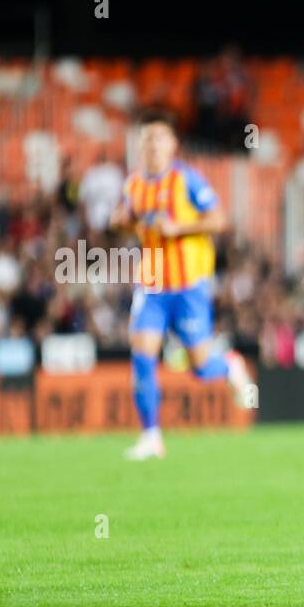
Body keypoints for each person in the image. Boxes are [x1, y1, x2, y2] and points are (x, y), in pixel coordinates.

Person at [110, 110, 250, 461]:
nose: (153, 145)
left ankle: (230, 364)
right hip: (152, 285)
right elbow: (120, 219)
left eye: (159, 138)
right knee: (142, 354)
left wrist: (178, 228)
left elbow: (218, 219)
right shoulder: (134, 185)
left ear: (172, 145)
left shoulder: (187, 180)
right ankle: (151, 436)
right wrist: (122, 222)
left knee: (201, 367)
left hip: (189, 286)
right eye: (147, 139)